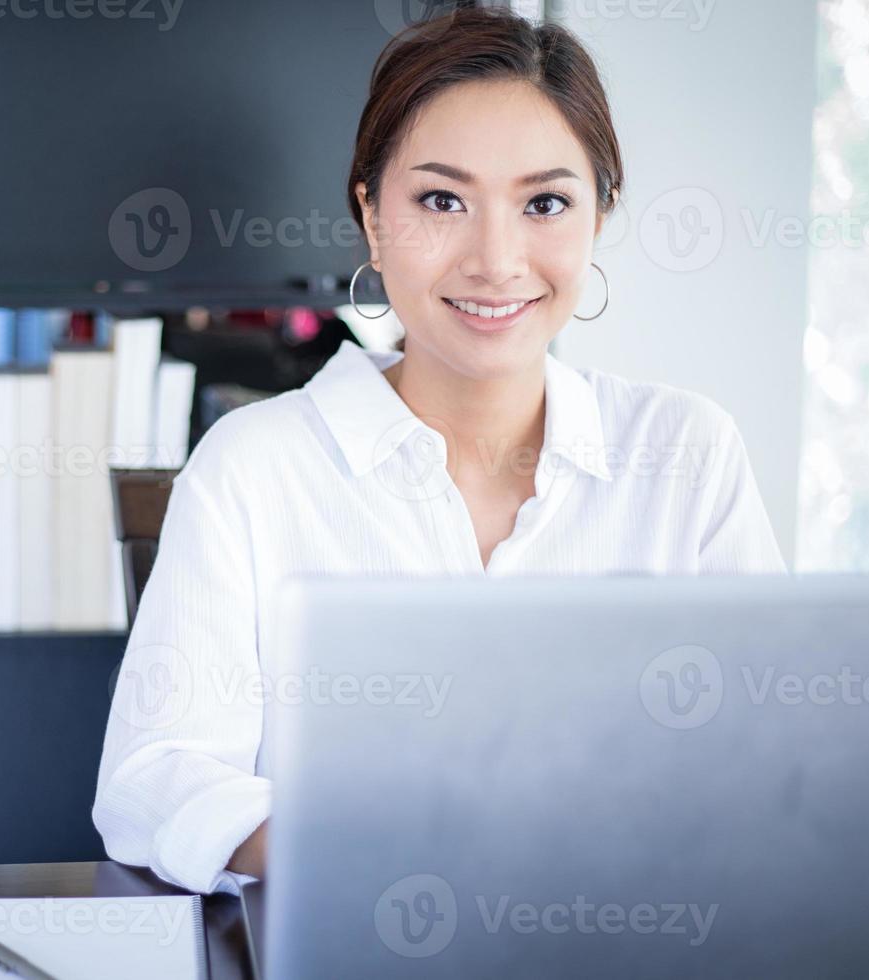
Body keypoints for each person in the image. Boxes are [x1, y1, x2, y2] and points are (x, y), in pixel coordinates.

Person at [93, 5, 786, 897]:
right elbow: (155, 779)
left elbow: (770, 767)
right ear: (373, 219)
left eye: (545, 203)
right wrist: (381, 849)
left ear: (600, 219)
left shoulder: (687, 453)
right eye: (441, 200)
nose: (496, 261)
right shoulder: (251, 468)